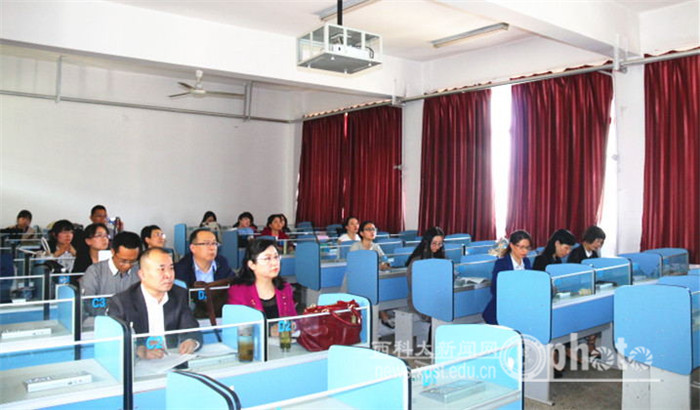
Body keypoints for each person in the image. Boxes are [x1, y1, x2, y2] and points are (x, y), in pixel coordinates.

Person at [107, 247, 201, 359]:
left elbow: (192, 328)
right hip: (137, 364)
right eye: (161, 269)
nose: (168, 275)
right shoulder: (122, 302)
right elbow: (113, 343)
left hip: (172, 359)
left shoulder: (179, 295)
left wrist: (191, 341)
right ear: (142, 275)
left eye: (171, 268)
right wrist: (137, 351)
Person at [227, 238, 296, 319]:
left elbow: (293, 321)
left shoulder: (285, 288)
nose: (275, 263)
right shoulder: (238, 292)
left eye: (276, 257)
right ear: (252, 265)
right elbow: (237, 324)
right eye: (267, 258)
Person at [482, 230, 533, 325]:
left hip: (520, 306)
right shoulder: (502, 263)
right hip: (502, 308)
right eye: (521, 247)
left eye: (527, 247)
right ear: (512, 246)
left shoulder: (526, 261)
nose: (525, 251)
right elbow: (495, 289)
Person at [81, 231, 142, 296]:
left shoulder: (141, 271)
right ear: (112, 251)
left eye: (133, 261)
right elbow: (87, 300)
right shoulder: (95, 272)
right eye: (123, 261)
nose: (128, 265)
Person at [405, 227, 446, 313]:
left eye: (440, 244)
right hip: (419, 300)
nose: (437, 247)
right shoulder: (417, 261)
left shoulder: (441, 258)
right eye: (434, 243)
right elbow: (413, 285)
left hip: (437, 296)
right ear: (427, 242)